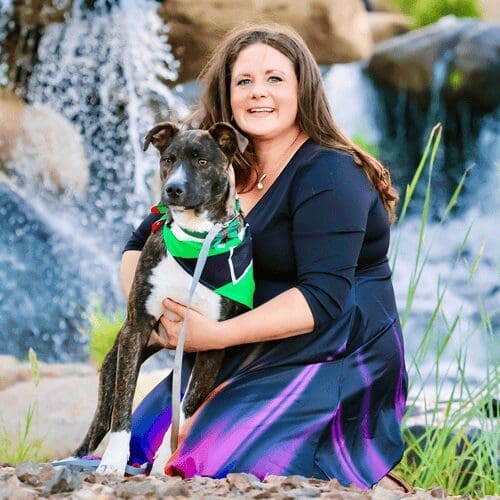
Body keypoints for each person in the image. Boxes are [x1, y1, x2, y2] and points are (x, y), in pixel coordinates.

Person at [120, 23, 409, 490]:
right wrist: (152, 318)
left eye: (275, 78)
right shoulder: (213, 164)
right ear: (227, 93)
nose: (258, 92)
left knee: (209, 469)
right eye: (244, 81)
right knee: (135, 452)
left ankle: (358, 471)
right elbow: (139, 244)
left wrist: (212, 335)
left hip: (333, 352)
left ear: (302, 89)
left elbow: (323, 299)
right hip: (242, 343)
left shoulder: (330, 173)